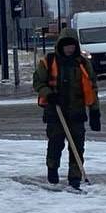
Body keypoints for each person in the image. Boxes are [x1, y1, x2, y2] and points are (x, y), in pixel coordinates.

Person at [31, 29, 100, 189]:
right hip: (55, 112)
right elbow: (38, 82)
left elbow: (92, 88)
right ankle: (52, 169)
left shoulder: (83, 63)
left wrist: (95, 111)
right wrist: (48, 94)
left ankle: (75, 178)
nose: (69, 49)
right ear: (60, 46)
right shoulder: (48, 61)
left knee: (77, 146)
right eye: (66, 46)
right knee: (55, 143)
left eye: (72, 46)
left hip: (77, 112)